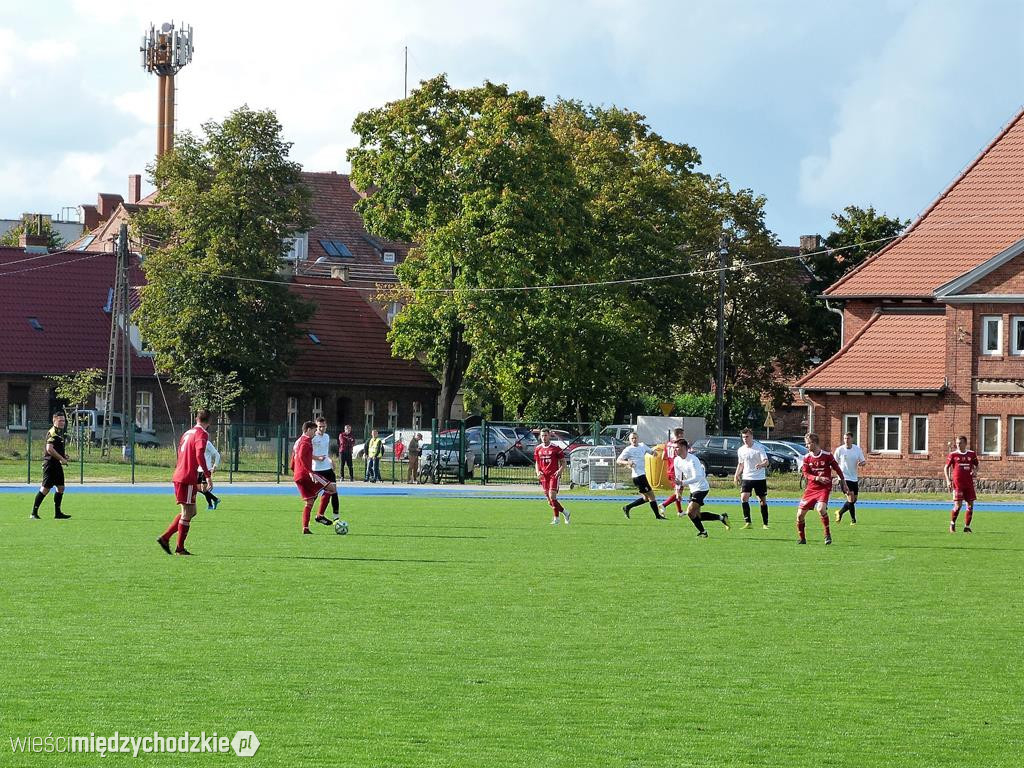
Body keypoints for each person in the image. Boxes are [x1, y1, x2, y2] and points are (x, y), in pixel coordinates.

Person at [157, 410, 213, 555]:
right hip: (187, 477)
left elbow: (181, 453)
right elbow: (199, 454)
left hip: (181, 474)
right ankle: (178, 548)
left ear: (196, 419)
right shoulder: (202, 434)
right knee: (187, 513)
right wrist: (207, 476)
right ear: (209, 422)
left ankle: (165, 538)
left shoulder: (187, 433)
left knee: (191, 511)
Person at [797, 432, 847, 545]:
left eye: (808, 444)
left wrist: (843, 482)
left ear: (814, 443)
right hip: (810, 489)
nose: (806, 446)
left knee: (820, 509)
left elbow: (837, 469)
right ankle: (802, 538)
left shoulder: (827, 455)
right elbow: (805, 474)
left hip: (824, 488)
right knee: (800, 515)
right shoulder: (807, 458)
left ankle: (827, 535)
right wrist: (817, 478)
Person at [674, 439, 730, 537]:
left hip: (701, 488)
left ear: (683, 448)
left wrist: (683, 482)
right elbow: (678, 478)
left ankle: (703, 532)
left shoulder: (693, 460)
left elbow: (698, 477)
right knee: (696, 515)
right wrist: (678, 492)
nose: (675, 450)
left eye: (677, 447)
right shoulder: (677, 460)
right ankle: (722, 518)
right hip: (693, 489)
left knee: (690, 512)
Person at [292, 420, 337, 534]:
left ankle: (305, 528)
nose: (314, 432)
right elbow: (301, 456)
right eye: (313, 430)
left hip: (298, 476)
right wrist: (309, 472)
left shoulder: (298, 441)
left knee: (309, 502)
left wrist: (294, 470)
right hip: (306, 474)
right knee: (331, 488)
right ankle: (320, 515)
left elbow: (294, 457)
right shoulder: (305, 441)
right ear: (307, 430)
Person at [31, 412, 72, 520]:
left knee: (61, 488)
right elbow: (49, 449)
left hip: (57, 465)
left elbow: (55, 448)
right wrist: (61, 459)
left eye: (63, 420)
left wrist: (64, 456)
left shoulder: (59, 433)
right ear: (54, 421)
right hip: (50, 464)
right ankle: (33, 513)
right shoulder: (52, 432)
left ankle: (58, 513)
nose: (62, 422)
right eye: (60, 420)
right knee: (45, 489)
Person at [618, 432, 666, 520]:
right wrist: (627, 462)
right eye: (632, 438)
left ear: (638, 438)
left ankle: (627, 507)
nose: (634, 440)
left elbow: (652, 452)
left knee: (646, 498)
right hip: (638, 476)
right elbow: (619, 460)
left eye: (635, 438)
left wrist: (655, 452)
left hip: (641, 476)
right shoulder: (628, 449)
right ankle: (657, 516)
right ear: (629, 440)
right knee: (652, 496)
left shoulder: (642, 446)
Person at [734, 428, 771, 529]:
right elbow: (741, 464)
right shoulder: (741, 450)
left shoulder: (759, 448)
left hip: (759, 478)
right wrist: (736, 474)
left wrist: (761, 464)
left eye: (747, 437)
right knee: (743, 498)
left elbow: (766, 462)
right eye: (743, 437)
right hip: (747, 477)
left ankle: (765, 524)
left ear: (752, 437)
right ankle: (748, 522)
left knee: (762, 501)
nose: (745, 439)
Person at [944, 435, 979, 533]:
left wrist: (975, 471)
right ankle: (952, 524)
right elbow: (945, 468)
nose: (958, 445)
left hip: (969, 484)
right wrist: (948, 480)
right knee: (958, 506)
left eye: (960, 443)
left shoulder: (972, 454)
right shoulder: (953, 455)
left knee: (970, 506)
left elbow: (977, 465)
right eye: (957, 443)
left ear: (965, 443)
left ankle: (967, 527)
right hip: (957, 484)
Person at [535, 427, 569, 525]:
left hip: (553, 475)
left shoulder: (556, 448)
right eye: (542, 436)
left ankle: (556, 519)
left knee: (552, 496)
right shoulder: (538, 449)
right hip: (544, 476)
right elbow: (537, 462)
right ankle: (565, 513)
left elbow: (563, 462)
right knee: (550, 501)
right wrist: (538, 472)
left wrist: (560, 471)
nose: (544, 437)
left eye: (545, 435)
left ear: (549, 435)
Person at [833, 432, 866, 524]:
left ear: (852, 439)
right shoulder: (839, 450)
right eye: (845, 438)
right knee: (851, 497)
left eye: (848, 438)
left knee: (854, 500)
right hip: (843, 478)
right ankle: (853, 520)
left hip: (854, 477)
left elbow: (863, 461)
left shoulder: (857, 449)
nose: (846, 440)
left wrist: (861, 463)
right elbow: (834, 463)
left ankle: (839, 512)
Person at [312, 418, 340, 520]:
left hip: (327, 468)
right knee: (313, 496)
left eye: (323, 426)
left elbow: (324, 452)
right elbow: (306, 454)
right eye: (320, 426)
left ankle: (336, 517)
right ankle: (313, 514)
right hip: (317, 470)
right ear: (316, 426)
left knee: (334, 492)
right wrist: (317, 458)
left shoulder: (327, 437)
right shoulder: (312, 438)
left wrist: (330, 460)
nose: (322, 428)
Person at [659, 427, 685, 516]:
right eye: (682, 434)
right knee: (679, 492)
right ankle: (664, 504)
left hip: (669, 470)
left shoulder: (668, 444)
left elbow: (663, 457)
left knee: (677, 491)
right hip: (677, 471)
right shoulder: (678, 445)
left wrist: (671, 459)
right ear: (679, 435)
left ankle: (680, 511)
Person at [198, 439, 221, 511]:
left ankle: (210, 505)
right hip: (198, 470)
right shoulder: (196, 442)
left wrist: (215, 466)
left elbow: (217, 454)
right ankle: (215, 499)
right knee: (197, 488)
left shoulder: (207, 443)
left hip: (206, 469)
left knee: (204, 489)